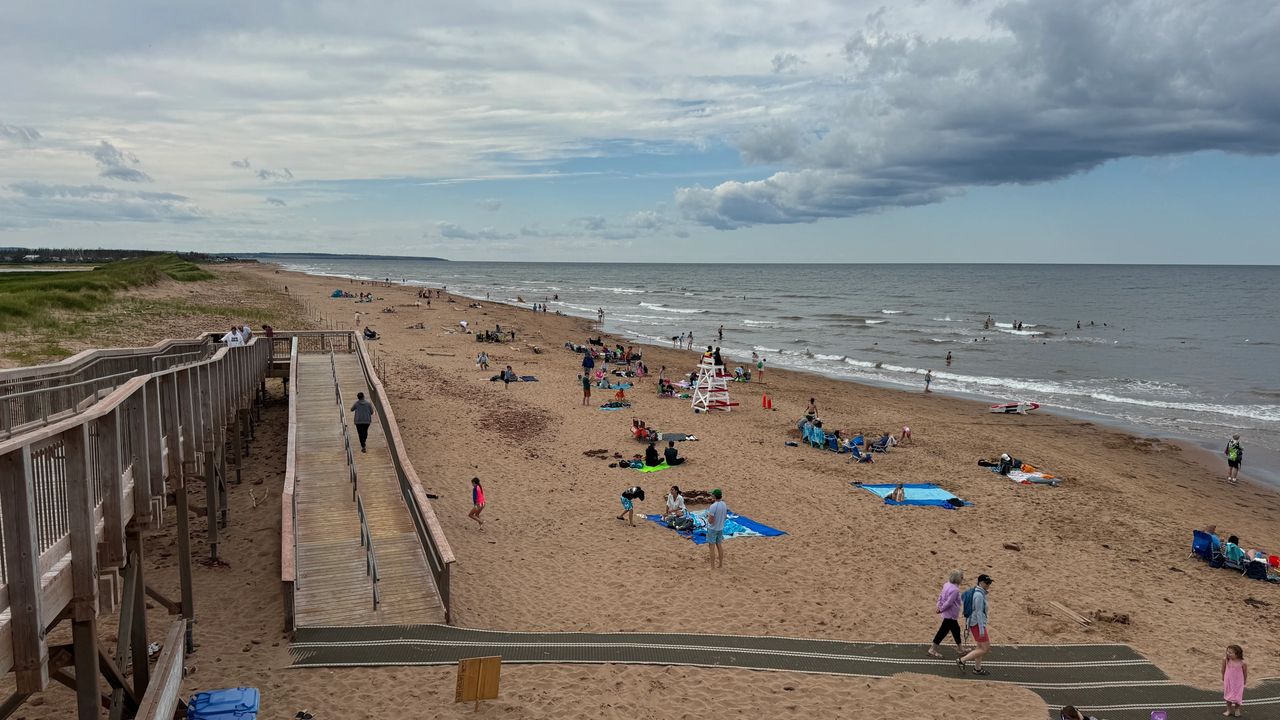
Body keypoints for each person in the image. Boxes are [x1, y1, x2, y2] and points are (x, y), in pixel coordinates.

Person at [959, 575, 993, 675]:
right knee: (985, 648)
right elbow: (978, 613)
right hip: (977, 624)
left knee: (979, 647)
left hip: (976, 623)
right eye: (987, 583)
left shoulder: (979, 593)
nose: (988, 585)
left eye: (990, 583)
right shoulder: (979, 595)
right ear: (980, 583)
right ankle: (962, 660)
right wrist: (982, 629)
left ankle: (977, 669)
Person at [928, 569, 965, 659]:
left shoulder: (946, 584)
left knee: (956, 630)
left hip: (948, 613)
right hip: (951, 614)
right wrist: (941, 609)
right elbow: (949, 602)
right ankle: (932, 649)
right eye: (961, 577)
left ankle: (960, 648)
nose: (962, 579)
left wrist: (939, 606)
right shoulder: (955, 590)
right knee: (943, 632)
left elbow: (941, 596)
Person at [1223, 644, 1247, 716]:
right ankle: (1228, 710)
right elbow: (1223, 669)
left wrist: (1244, 680)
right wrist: (1223, 676)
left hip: (1238, 682)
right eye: (1227, 651)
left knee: (1238, 696)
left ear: (1237, 654)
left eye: (1230, 653)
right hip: (1228, 681)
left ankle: (1237, 709)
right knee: (1228, 695)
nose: (1228, 653)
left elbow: (1245, 673)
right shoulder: (1226, 660)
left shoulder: (1242, 663)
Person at [706, 489, 728, 568]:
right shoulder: (724, 504)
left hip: (713, 529)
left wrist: (708, 518)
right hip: (720, 528)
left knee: (711, 548)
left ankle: (712, 566)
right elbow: (725, 517)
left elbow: (711, 521)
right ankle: (720, 564)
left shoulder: (713, 506)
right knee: (719, 546)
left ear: (714, 496)